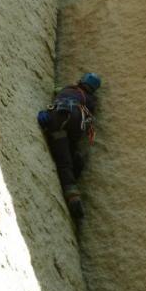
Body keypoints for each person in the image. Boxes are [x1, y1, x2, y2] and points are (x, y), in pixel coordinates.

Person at [37, 72, 101, 221]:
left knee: (63, 160)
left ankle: (72, 194)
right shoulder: (90, 100)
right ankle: (73, 194)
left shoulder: (67, 89)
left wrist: (45, 113)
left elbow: (57, 94)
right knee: (73, 159)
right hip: (75, 123)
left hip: (56, 118)